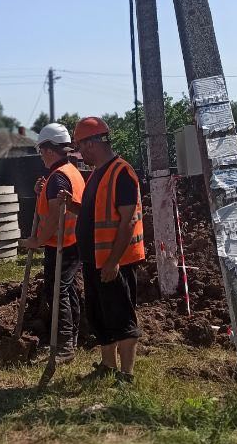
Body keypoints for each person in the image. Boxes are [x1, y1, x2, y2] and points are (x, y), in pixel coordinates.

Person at [66, 117, 146, 382]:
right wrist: (71, 205)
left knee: (121, 316)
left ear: (91, 143)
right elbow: (94, 215)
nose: (81, 153)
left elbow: (128, 220)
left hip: (114, 261)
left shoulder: (121, 172)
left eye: (81, 146)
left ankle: (126, 374)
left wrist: (113, 262)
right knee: (99, 316)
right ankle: (108, 366)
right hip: (94, 259)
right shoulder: (99, 173)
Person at [23, 122, 86, 361]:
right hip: (73, 241)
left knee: (57, 292)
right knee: (66, 290)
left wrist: (37, 240)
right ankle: (71, 339)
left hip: (62, 244)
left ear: (50, 150)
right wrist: (42, 191)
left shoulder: (58, 178)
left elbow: (52, 219)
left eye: (41, 151)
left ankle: (64, 346)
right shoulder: (72, 172)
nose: (40, 156)